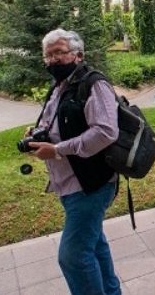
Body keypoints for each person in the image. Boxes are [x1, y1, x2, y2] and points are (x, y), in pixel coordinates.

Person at [26, 29, 121, 295]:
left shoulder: (94, 83)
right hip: (70, 183)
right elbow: (57, 120)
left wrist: (56, 149)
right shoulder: (60, 86)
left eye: (59, 53)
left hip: (91, 184)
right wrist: (38, 134)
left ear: (78, 55)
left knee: (73, 257)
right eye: (49, 54)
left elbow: (105, 132)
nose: (53, 59)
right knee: (95, 246)